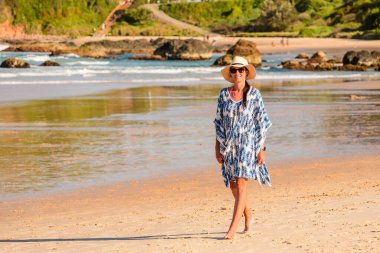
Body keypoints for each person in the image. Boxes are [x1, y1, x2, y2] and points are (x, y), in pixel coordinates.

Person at [214, 56, 272, 239]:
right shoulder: (223, 95)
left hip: (248, 144)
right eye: (234, 70)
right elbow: (218, 123)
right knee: (233, 186)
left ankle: (232, 229)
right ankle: (248, 216)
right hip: (229, 145)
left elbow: (261, 122)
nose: (237, 73)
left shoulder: (254, 94)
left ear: (246, 72)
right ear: (230, 74)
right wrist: (217, 147)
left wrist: (261, 148)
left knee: (241, 183)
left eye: (241, 70)